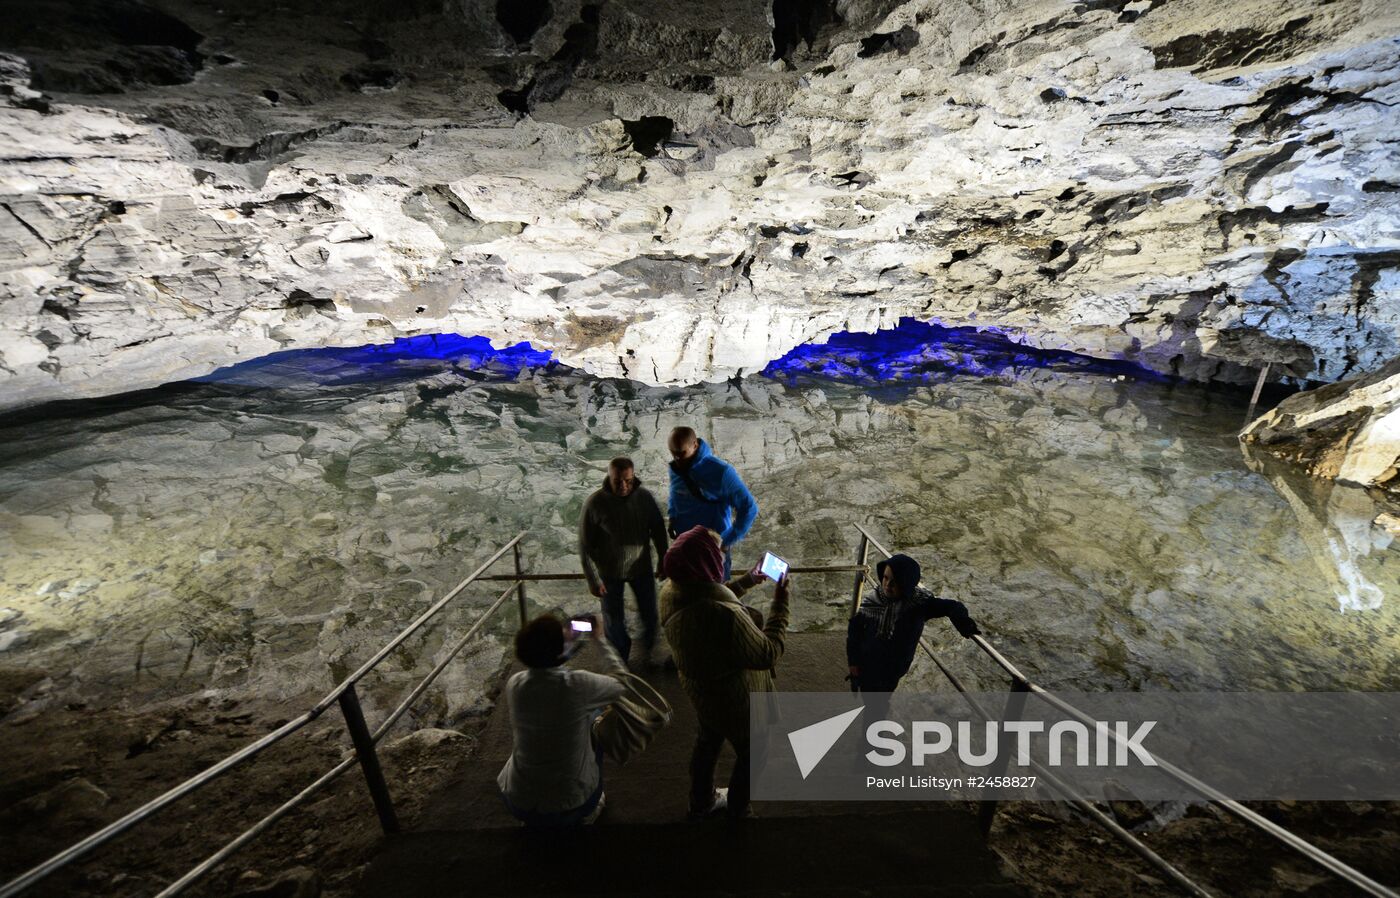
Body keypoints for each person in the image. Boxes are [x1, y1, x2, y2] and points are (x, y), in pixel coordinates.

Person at [660, 525, 790, 821]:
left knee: (708, 740)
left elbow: (706, 594)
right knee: (753, 752)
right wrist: (781, 602)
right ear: (705, 561)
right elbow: (768, 652)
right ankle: (738, 810)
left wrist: (748, 580)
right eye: (718, 550)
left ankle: (701, 800)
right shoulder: (725, 617)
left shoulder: (672, 591)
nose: (723, 553)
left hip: (702, 690)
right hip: (736, 698)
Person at [498, 614, 626, 827]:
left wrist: (565, 642)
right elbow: (622, 684)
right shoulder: (578, 685)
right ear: (560, 651)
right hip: (571, 805)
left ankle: (535, 820)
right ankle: (591, 808)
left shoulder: (515, 684)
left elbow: (547, 670)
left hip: (517, 801)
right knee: (598, 718)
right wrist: (599, 639)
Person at [578, 456, 670, 666]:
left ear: (633, 476)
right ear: (609, 477)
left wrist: (663, 559)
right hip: (609, 571)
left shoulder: (644, 498)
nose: (623, 486)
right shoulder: (595, 503)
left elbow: (658, 530)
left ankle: (649, 651)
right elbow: (585, 546)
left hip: (641, 567)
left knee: (649, 614)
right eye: (618, 481)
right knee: (613, 621)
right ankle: (620, 660)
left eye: (628, 480)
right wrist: (592, 579)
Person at [846, 553, 981, 695]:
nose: (887, 585)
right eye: (885, 578)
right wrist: (853, 663)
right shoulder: (876, 597)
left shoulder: (919, 604)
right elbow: (855, 628)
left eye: (895, 581)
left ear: (906, 583)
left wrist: (963, 622)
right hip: (866, 662)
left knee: (878, 703)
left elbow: (953, 606)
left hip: (890, 670)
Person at [666, 426, 758, 578]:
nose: (677, 459)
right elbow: (675, 494)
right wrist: (673, 518)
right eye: (673, 453)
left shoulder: (721, 472)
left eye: (681, 453)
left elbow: (749, 508)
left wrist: (727, 540)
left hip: (712, 550)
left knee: (717, 598)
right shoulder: (676, 469)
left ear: (695, 445)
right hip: (685, 547)